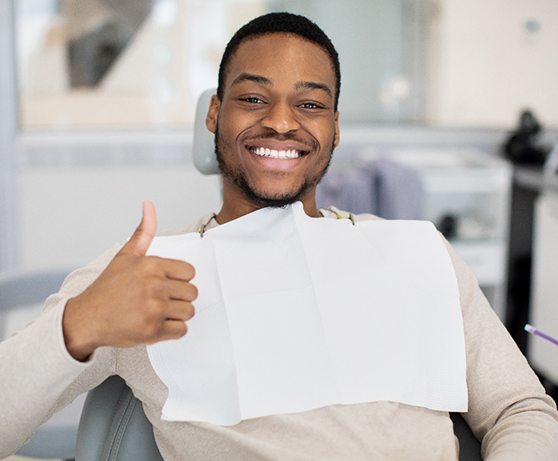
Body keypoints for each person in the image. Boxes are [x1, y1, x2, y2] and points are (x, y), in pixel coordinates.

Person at [2, 12, 558, 461]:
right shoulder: (149, 270)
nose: (283, 122)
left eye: (310, 104)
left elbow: (520, 407)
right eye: (253, 98)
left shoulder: (418, 254)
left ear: (334, 128)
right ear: (214, 115)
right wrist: (81, 324)